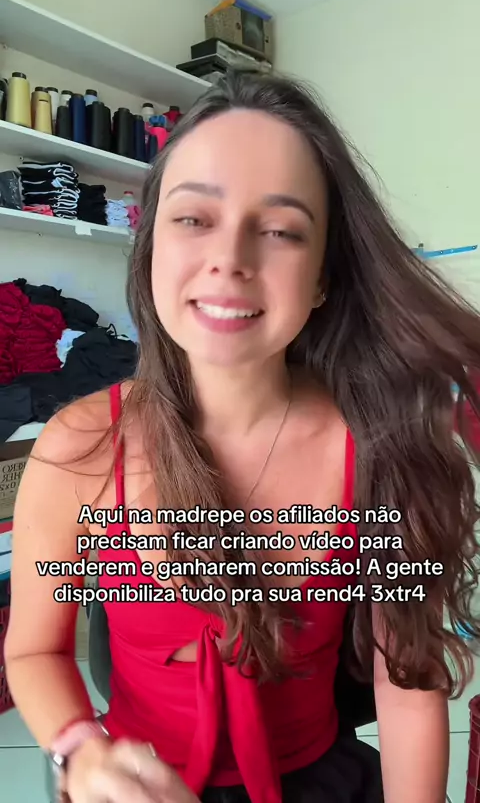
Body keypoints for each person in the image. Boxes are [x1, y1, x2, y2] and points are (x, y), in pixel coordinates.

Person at [5, 70, 480, 803]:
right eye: (193, 218)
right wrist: (79, 751)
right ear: (151, 245)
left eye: (282, 230)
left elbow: (406, 681)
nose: (230, 258)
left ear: (322, 277)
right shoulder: (79, 446)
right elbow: (35, 649)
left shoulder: (378, 444)